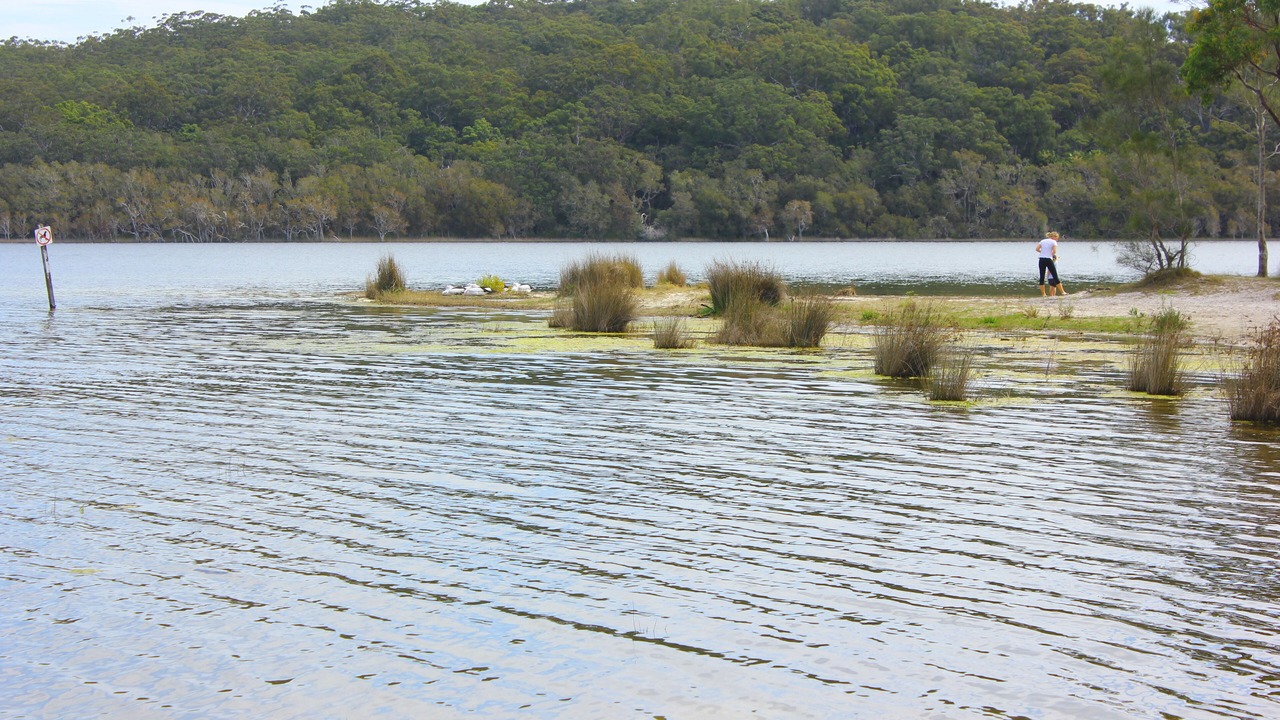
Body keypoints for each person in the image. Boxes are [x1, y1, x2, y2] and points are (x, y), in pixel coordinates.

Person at [1036, 231, 1067, 297]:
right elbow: (1054, 251)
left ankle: (1043, 294)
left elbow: (1037, 249)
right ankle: (1062, 292)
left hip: (1041, 259)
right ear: (1053, 237)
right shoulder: (1053, 242)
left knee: (1042, 276)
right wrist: (1050, 254)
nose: (1057, 239)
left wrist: (1043, 252)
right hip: (1048, 259)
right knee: (1055, 275)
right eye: (1056, 237)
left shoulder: (1042, 241)